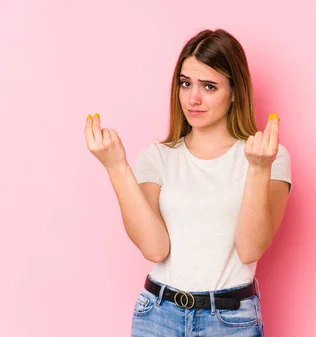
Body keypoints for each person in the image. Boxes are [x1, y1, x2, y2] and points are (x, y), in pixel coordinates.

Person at [84, 28, 292, 336]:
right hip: (158, 316)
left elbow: (250, 250)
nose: (193, 98)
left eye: (209, 86)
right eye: (185, 83)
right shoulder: (157, 157)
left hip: (229, 322)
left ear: (235, 92)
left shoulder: (269, 156)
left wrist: (258, 169)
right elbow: (155, 249)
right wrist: (116, 166)